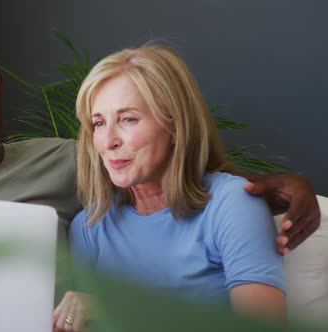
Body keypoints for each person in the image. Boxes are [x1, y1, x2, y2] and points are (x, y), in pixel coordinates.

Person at [0, 26, 320, 332]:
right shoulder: (92, 221)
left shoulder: (71, 168)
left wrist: (280, 187)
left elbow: (189, 182)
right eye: (98, 123)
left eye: (129, 119)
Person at [56, 44, 288, 330]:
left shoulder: (231, 204)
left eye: (128, 119)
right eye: (99, 123)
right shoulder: (89, 228)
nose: (108, 141)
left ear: (176, 125)